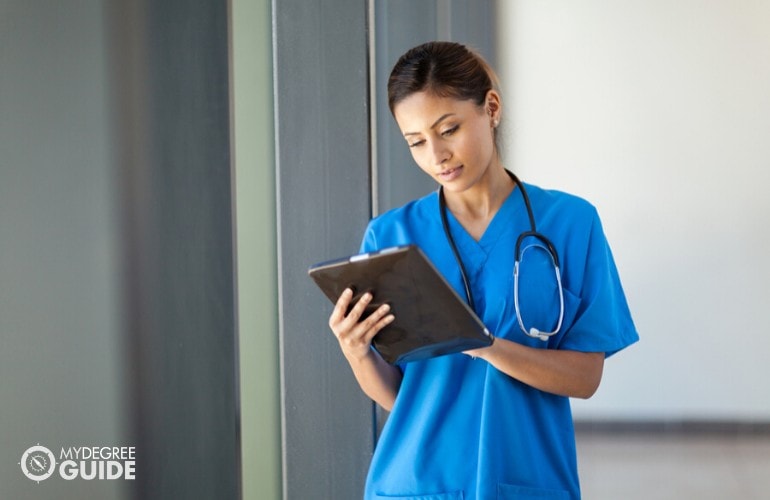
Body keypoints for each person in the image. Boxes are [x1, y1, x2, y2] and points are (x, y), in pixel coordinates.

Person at [328, 41, 638, 500]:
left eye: (448, 129)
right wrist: (356, 351)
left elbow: (584, 378)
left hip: (526, 479)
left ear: (490, 108)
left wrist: (487, 346)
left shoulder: (571, 223)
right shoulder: (390, 236)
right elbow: (402, 396)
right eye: (416, 142)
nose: (436, 155)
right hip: (415, 483)